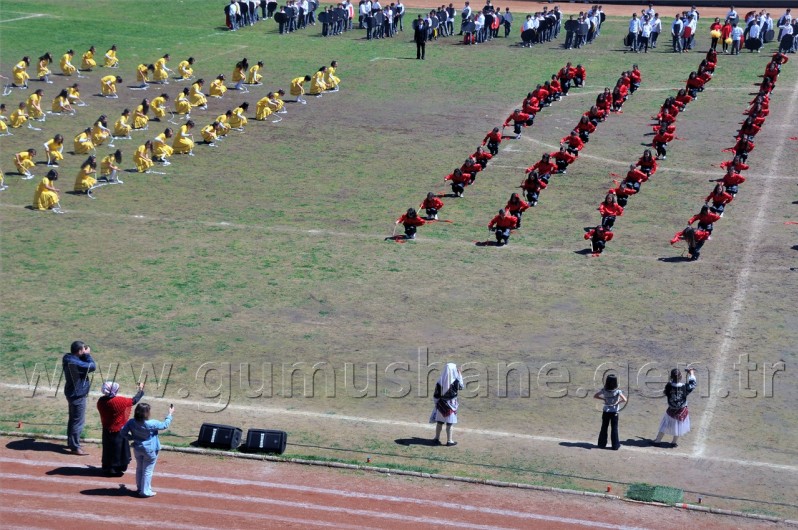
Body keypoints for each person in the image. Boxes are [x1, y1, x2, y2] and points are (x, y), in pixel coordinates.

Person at [121, 402, 174, 497]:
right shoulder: (152, 423)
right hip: (150, 450)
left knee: (139, 469)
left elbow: (122, 432)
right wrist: (170, 414)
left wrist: (132, 438)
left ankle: (140, 488)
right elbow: (165, 425)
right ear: (146, 413)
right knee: (148, 470)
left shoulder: (131, 422)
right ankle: (145, 491)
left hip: (137, 448)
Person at [98, 381, 144, 476]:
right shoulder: (119, 401)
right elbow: (133, 401)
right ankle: (116, 469)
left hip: (106, 429)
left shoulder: (101, 401)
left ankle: (108, 467)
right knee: (118, 450)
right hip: (118, 431)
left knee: (108, 449)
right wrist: (140, 390)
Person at [63, 341, 96, 455]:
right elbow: (92, 366)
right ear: (80, 351)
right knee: (78, 422)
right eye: (83, 349)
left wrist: (83, 354)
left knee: (73, 420)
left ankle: (72, 443)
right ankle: (75, 447)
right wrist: (87, 355)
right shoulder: (75, 363)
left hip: (71, 393)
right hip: (77, 395)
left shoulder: (68, 358)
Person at [654, 368, 696, 446]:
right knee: (679, 425)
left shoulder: (668, 386)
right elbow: (692, 384)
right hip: (681, 410)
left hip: (671, 410)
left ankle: (657, 441)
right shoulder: (684, 387)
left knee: (664, 424)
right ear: (680, 377)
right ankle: (674, 442)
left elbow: (666, 391)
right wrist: (691, 373)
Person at [429, 363, 463, 446]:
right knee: (449, 423)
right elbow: (461, 386)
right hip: (451, 405)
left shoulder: (439, 381)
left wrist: (437, 404)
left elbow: (436, 395)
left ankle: (436, 438)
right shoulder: (455, 382)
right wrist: (460, 375)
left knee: (439, 422)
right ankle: (449, 440)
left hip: (441, 405)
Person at [594, 374, 626, 449]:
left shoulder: (604, 390)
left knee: (604, 427)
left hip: (606, 411)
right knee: (614, 428)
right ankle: (615, 446)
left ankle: (601, 445)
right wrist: (617, 403)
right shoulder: (618, 391)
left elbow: (595, 396)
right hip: (615, 412)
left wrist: (603, 399)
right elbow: (624, 399)